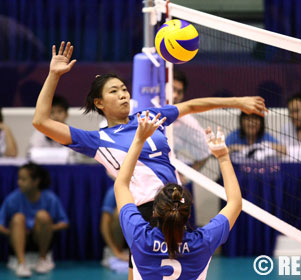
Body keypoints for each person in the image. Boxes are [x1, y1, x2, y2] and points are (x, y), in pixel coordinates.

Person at [32, 41, 266, 277]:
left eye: (124, 88)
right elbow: (41, 121)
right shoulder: (96, 140)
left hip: (176, 205)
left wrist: (238, 101)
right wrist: (53, 74)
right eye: (114, 91)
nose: (123, 94)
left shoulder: (149, 117)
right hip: (144, 212)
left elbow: (191, 106)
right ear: (99, 103)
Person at [114, 113, 241, 279]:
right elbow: (235, 203)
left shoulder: (140, 237)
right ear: (188, 214)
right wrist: (223, 157)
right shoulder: (203, 242)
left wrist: (139, 139)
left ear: (154, 213)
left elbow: (121, 185)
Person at [0, 163, 69, 277]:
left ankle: (42, 259)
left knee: (42, 216)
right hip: (19, 243)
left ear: (36, 181)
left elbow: (64, 223)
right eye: (18, 179)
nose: (19, 183)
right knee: (18, 218)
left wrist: (47, 228)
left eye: (23, 179)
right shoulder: (12, 198)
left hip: (41, 242)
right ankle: (21, 263)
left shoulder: (50, 198)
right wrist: (13, 232)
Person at [172, 69, 210, 181]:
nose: (175, 95)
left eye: (179, 92)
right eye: (172, 89)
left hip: (173, 180)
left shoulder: (188, 122)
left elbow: (205, 154)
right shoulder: (146, 108)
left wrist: (185, 178)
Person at [101, 186, 129, 267]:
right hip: (120, 246)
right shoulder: (113, 192)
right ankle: (117, 251)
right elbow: (104, 225)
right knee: (119, 213)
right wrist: (116, 252)